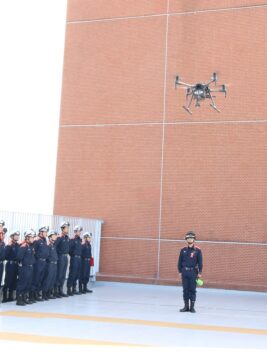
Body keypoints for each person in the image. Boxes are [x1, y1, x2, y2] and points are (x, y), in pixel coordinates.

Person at [178, 231, 203, 313]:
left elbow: (200, 263)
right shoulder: (183, 250)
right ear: (186, 239)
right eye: (188, 238)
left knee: (192, 290)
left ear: (194, 239)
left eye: (191, 238)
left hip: (193, 272)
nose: (190, 239)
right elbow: (179, 262)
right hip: (184, 272)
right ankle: (186, 307)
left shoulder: (198, 250)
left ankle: (192, 307)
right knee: (185, 290)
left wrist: (200, 273)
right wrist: (180, 271)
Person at [16, 230, 35, 306]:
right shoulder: (23, 246)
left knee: (28, 283)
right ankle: (19, 299)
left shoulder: (30, 246)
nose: (33, 239)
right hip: (24, 268)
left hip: (30, 267)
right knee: (22, 283)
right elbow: (19, 257)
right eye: (31, 237)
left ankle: (24, 298)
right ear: (27, 238)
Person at [32, 226, 50, 301]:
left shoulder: (44, 240)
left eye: (46, 232)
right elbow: (33, 252)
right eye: (45, 232)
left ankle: (37, 294)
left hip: (44, 262)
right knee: (36, 278)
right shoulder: (37, 240)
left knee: (40, 278)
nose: (46, 234)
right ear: (41, 232)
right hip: (38, 262)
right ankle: (32, 295)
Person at [2, 230, 20, 302]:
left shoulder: (18, 245)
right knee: (8, 280)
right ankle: (4, 297)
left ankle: (10, 296)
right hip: (10, 264)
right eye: (16, 235)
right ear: (12, 236)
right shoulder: (9, 245)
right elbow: (5, 256)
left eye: (18, 235)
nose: (17, 237)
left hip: (16, 265)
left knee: (14, 280)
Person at [55, 221, 70, 297]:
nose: (68, 229)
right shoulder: (59, 237)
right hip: (60, 257)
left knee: (63, 274)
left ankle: (60, 290)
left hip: (65, 257)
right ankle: (56, 291)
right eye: (66, 228)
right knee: (59, 274)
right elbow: (55, 247)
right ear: (62, 228)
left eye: (68, 228)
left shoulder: (67, 238)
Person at [67, 225, 83, 296]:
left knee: (77, 274)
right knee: (72, 274)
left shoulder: (80, 240)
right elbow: (69, 250)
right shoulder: (72, 240)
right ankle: (69, 289)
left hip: (79, 259)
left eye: (80, 231)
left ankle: (74, 288)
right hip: (74, 258)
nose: (79, 232)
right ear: (75, 231)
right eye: (78, 231)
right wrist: (73, 256)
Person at [43, 230, 58, 299]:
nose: (55, 237)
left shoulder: (53, 245)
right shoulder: (48, 245)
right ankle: (45, 293)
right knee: (48, 279)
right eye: (54, 236)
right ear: (50, 237)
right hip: (50, 264)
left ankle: (49, 293)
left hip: (54, 264)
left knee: (53, 279)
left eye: (55, 236)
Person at [0, 225, 6, 297]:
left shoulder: (3, 243)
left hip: (1, 264)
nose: (3, 235)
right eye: (1, 234)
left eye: (3, 234)